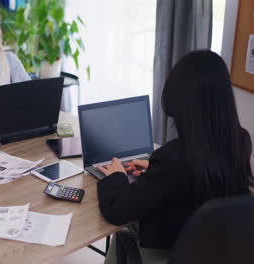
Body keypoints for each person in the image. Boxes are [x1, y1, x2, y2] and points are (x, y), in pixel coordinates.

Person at [97, 50, 253, 264]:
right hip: (219, 251)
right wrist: (156, 172)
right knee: (124, 238)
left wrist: (116, 176)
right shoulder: (241, 140)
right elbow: (196, 180)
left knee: (125, 232)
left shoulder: (174, 158)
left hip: (173, 253)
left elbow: (116, 211)